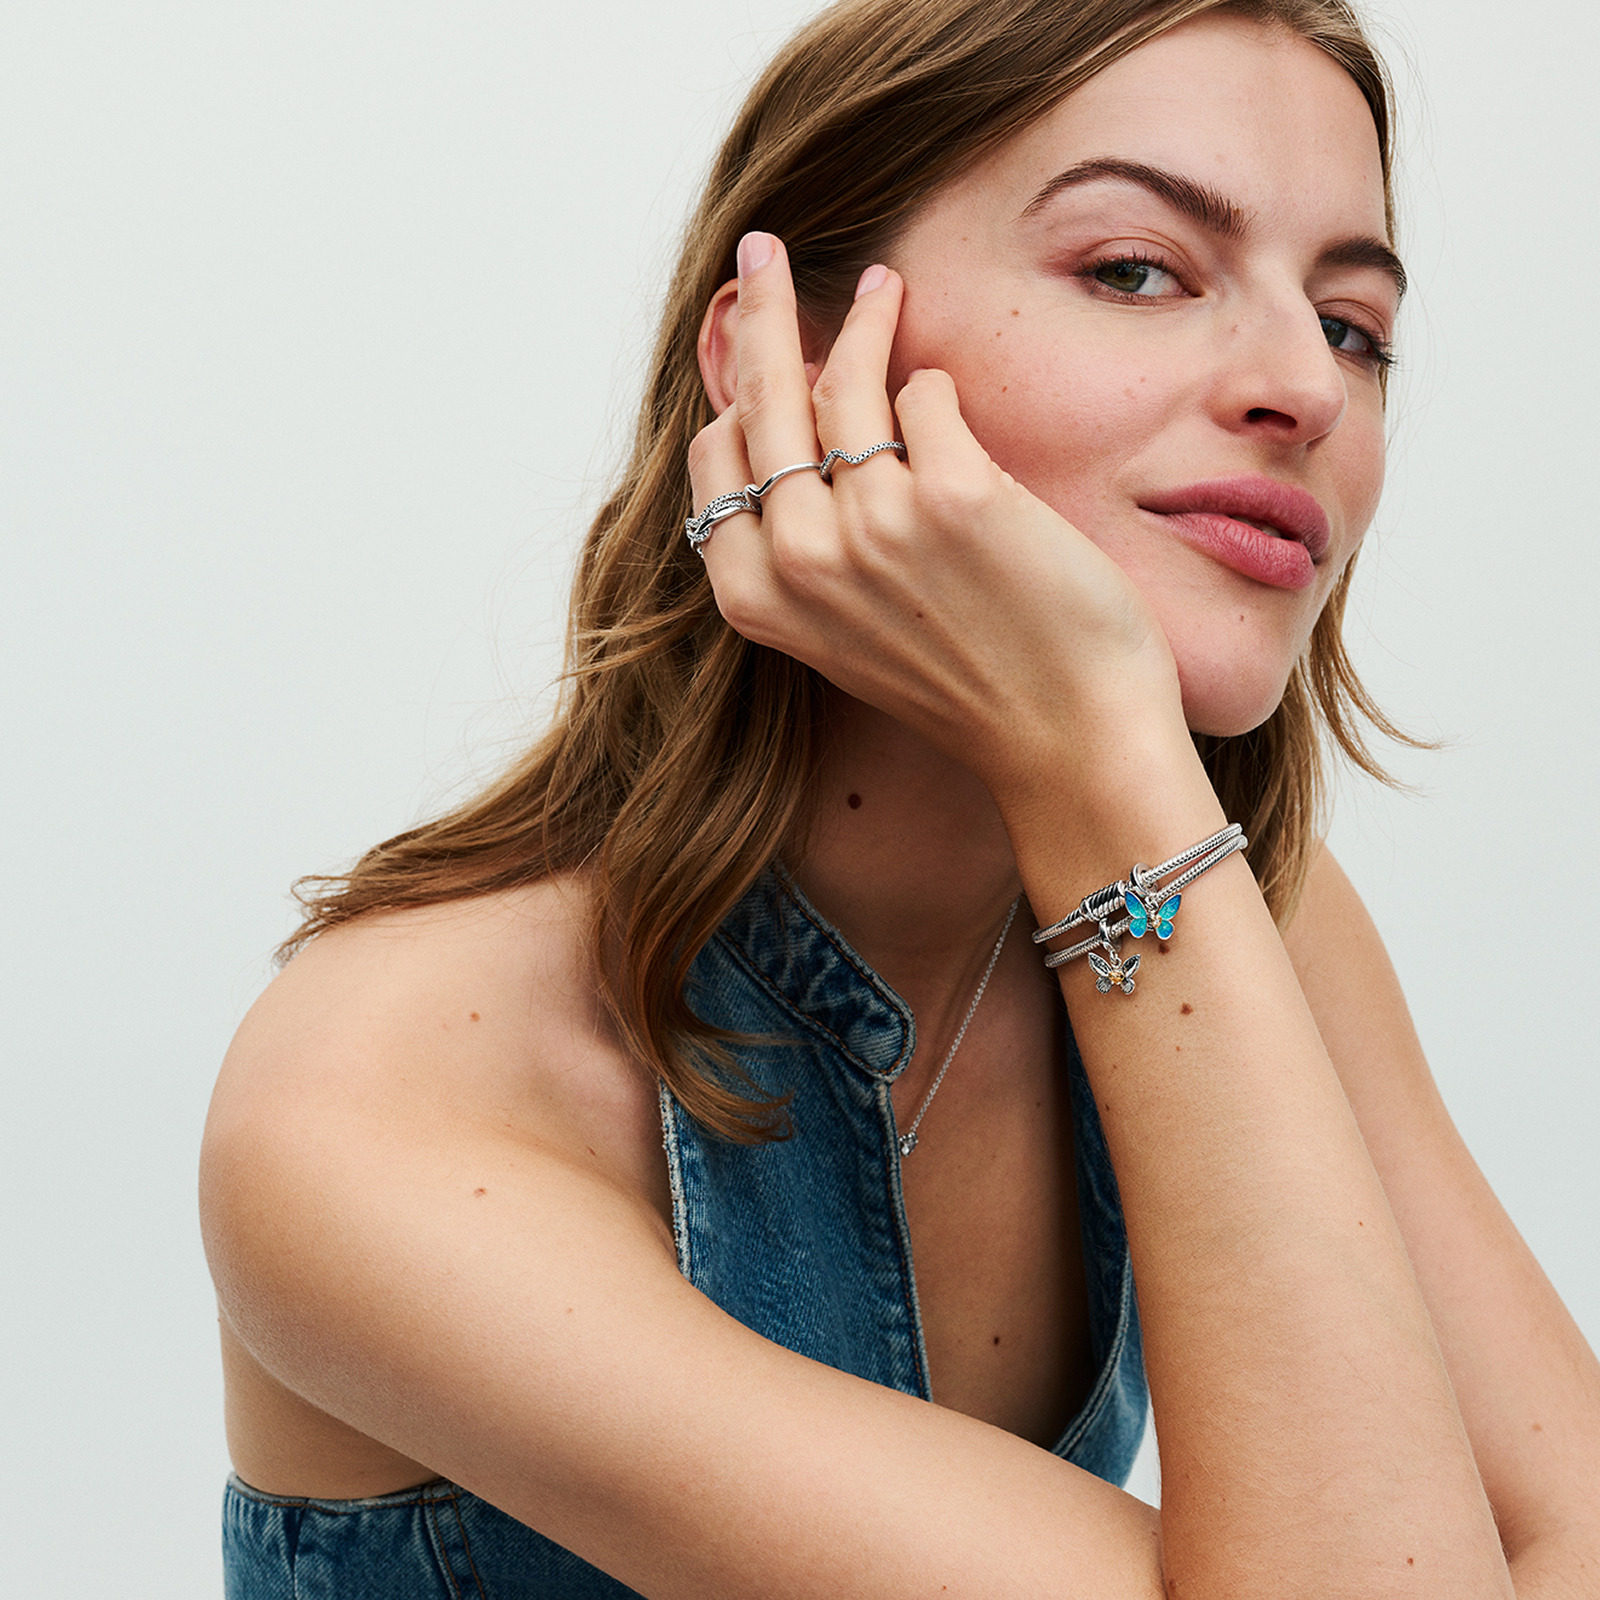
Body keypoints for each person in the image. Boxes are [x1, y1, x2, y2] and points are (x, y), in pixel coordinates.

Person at [199, 0, 1600, 1594]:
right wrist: (1105, 773)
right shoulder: (376, 1097)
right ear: (789, 367)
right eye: (1134, 269)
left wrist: (1115, 791)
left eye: (1353, 326)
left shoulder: (1238, 908)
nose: (1307, 388)